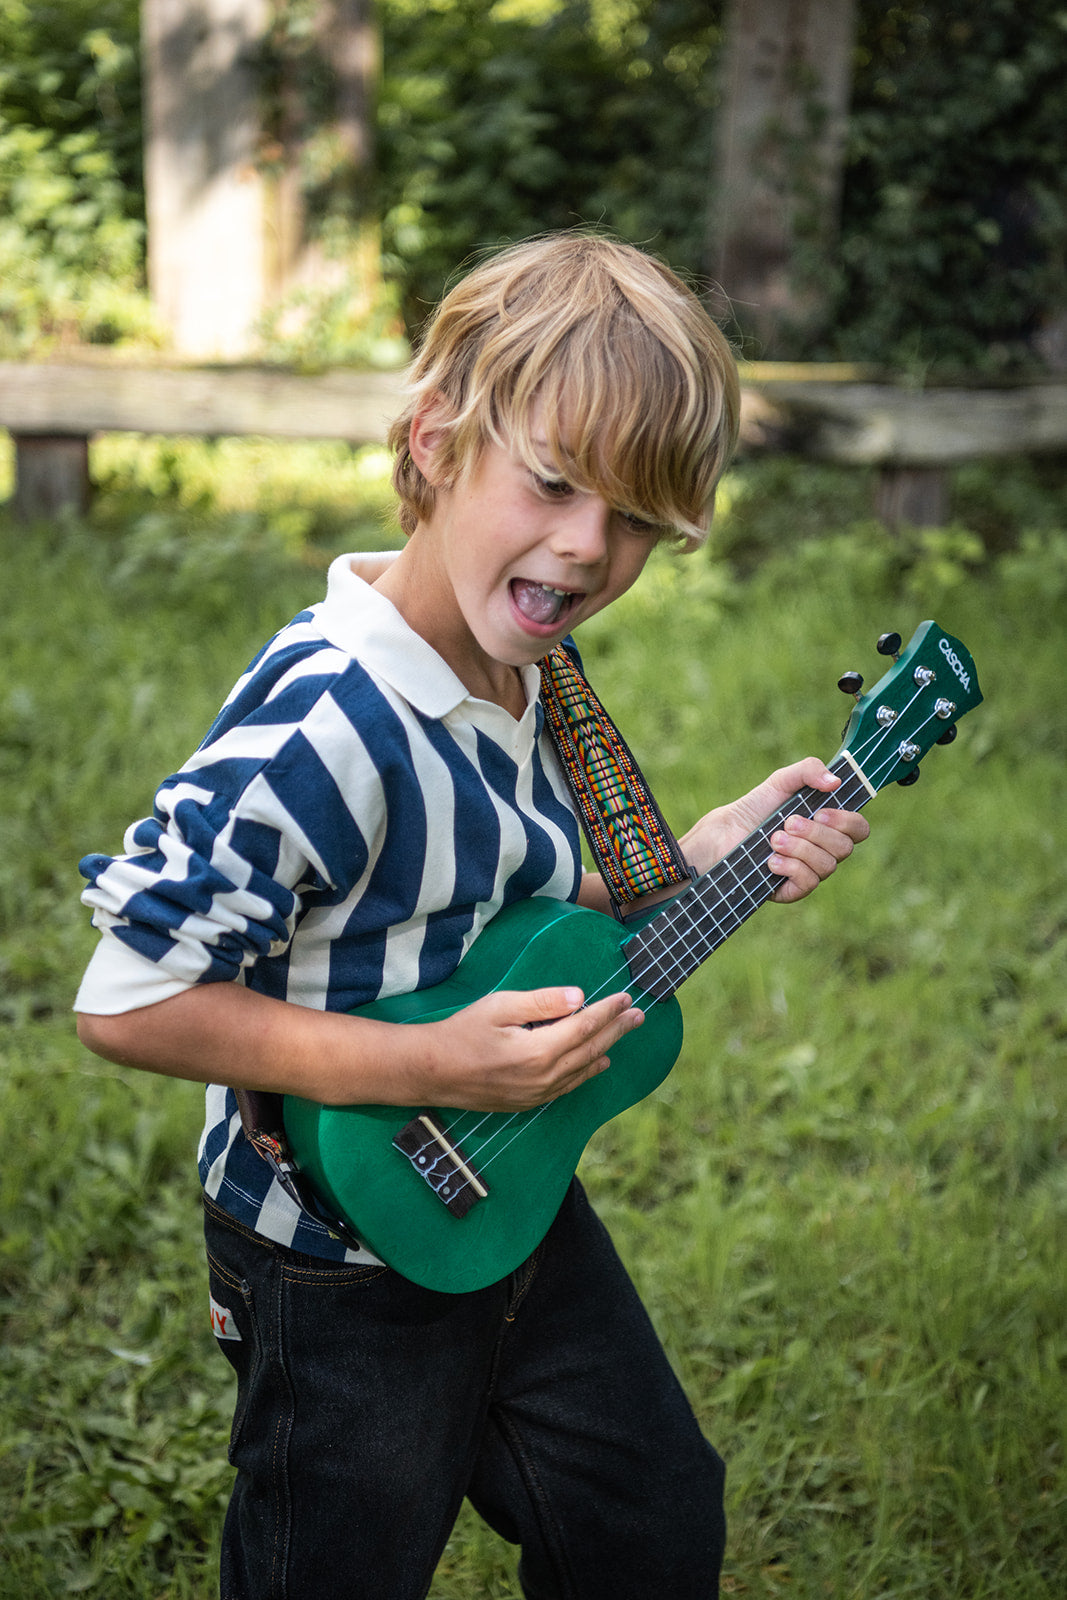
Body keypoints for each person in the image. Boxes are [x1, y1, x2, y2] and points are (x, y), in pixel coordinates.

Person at [74, 234, 869, 1600]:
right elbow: (129, 1001)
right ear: (435, 442)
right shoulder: (328, 725)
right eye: (555, 484)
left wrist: (703, 850)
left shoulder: (525, 670)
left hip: (506, 1194)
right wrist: (437, 1066)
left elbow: (519, 894)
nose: (586, 547)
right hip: (328, 1252)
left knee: (650, 1516)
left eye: (634, 523)